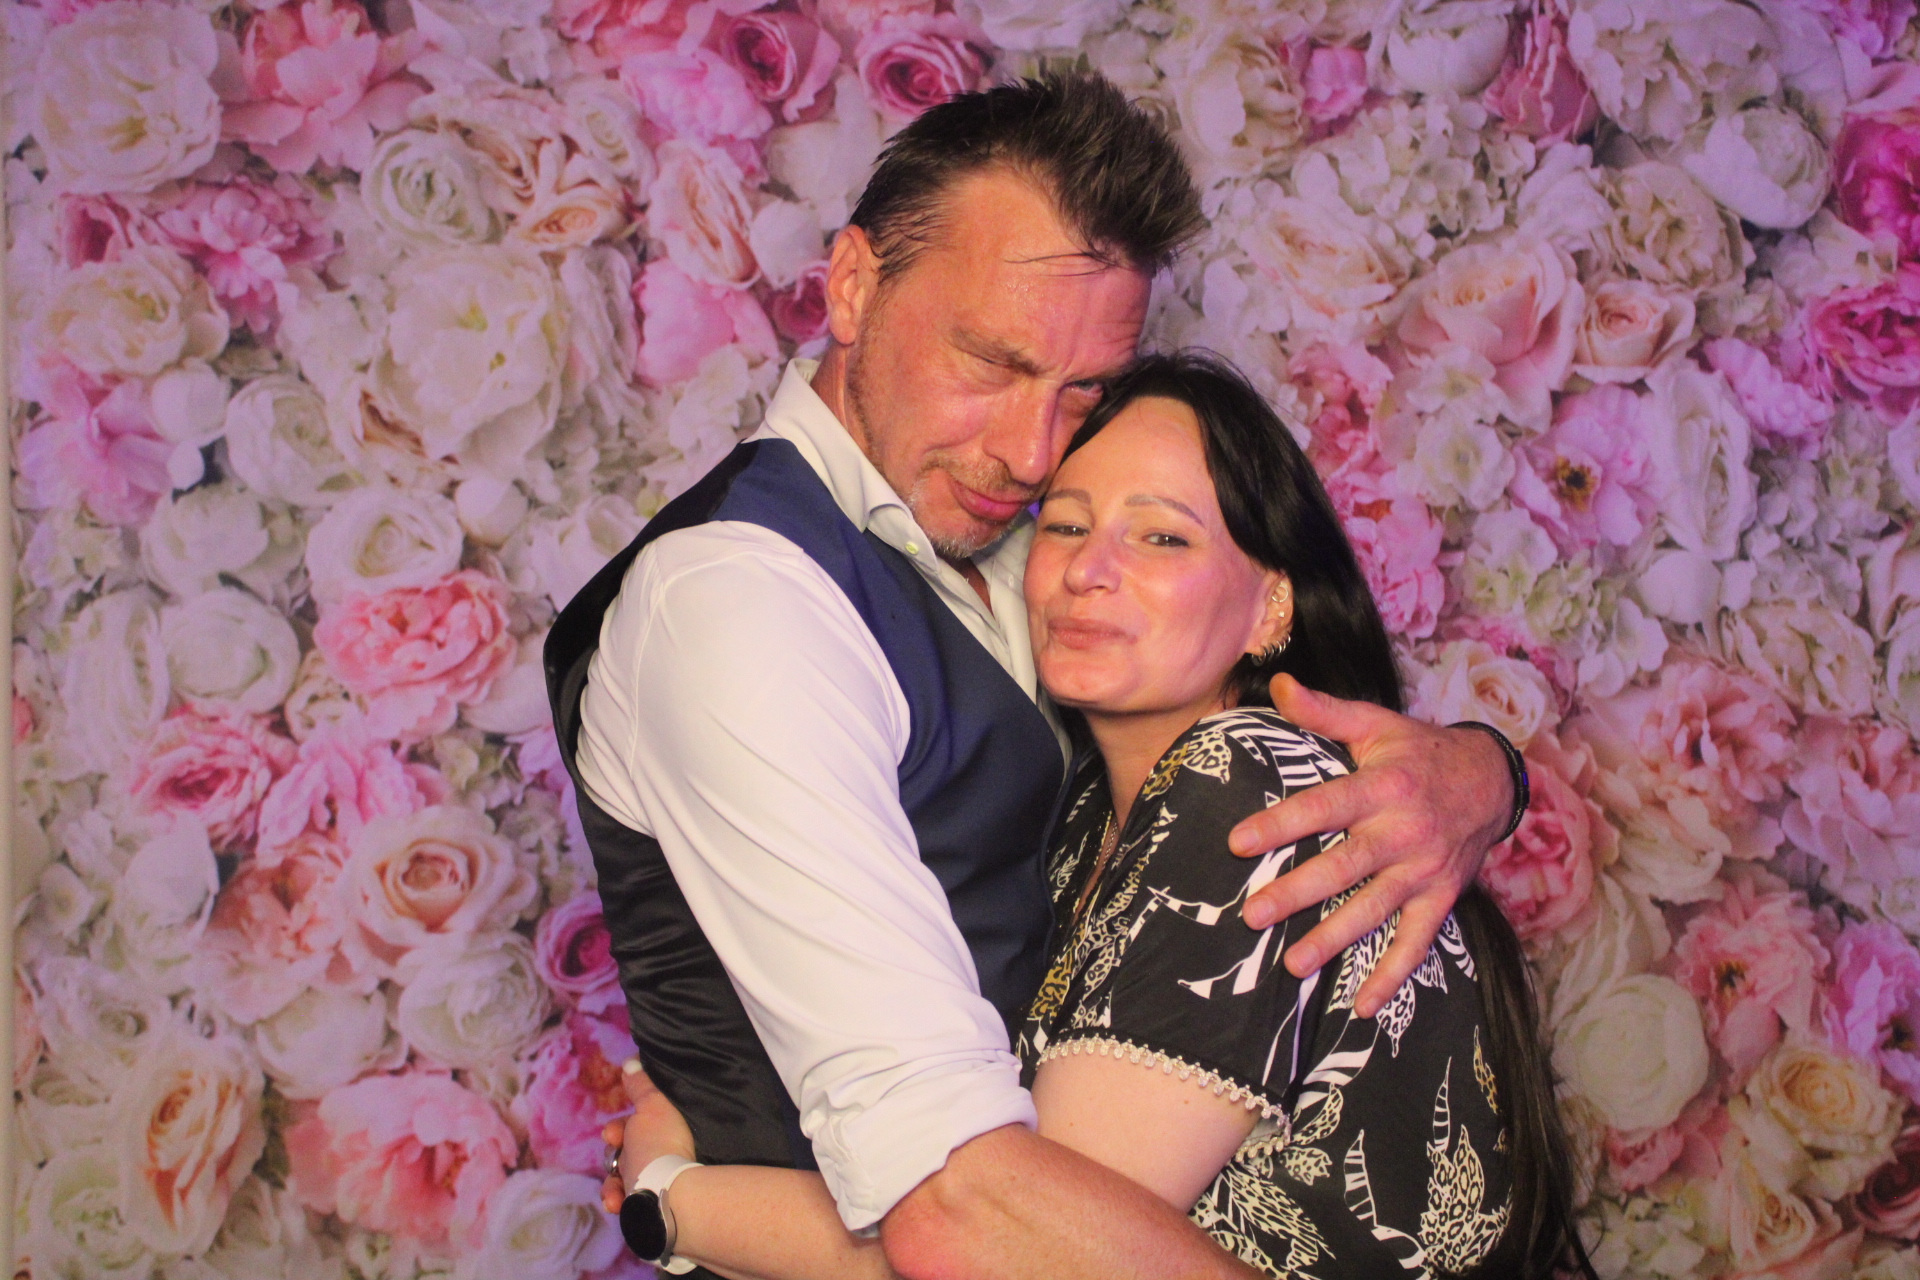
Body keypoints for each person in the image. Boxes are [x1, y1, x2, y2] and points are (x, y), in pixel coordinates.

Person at [543, 73, 1526, 1280]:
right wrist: (680, 1202)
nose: (1030, 453)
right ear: (851, 286)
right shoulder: (739, 599)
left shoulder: (1017, 544)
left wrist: (1484, 773)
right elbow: (954, 1202)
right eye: (991, 361)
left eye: (1082, 392)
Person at [602, 353, 1593, 1279]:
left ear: (1271, 607)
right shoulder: (1083, 823)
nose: (1089, 569)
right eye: (1067, 526)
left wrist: (675, 1198)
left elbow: (1005, 1242)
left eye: (1161, 536)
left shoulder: (1249, 785)